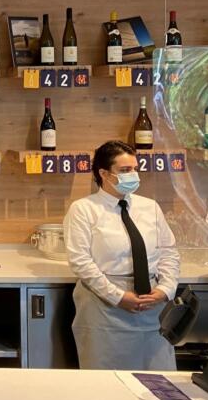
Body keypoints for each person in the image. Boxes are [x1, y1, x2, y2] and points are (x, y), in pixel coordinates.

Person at [64, 140, 181, 370]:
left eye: (135, 169)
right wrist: (118, 296)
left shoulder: (150, 207)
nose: (133, 175)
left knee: (158, 382)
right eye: (125, 170)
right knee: (107, 384)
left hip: (152, 307)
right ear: (104, 174)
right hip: (105, 307)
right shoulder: (84, 209)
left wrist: (165, 289)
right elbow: (81, 262)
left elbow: (168, 252)